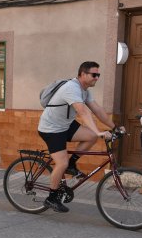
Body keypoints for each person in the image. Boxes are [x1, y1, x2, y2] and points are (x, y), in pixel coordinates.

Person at [38, 61, 122, 213]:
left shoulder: (85, 90)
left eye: (99, 75)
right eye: (94, 75)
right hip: (51, 128)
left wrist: (114, 127)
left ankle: (72, 164)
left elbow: (96, 109)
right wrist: (98, 131)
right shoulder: (71, 87)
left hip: (66, 124)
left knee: (90, 137)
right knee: (61, 163)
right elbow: (83, 111)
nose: (97, 78)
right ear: (83, 74)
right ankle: (51, 197)